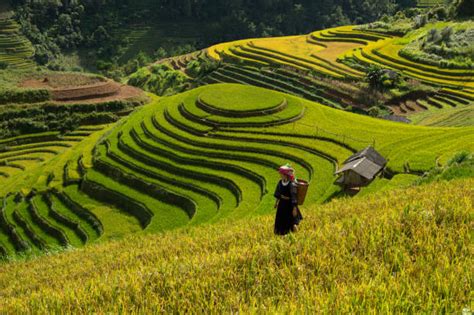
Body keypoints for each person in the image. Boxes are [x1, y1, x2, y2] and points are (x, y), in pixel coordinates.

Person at [273, 164, 303, 235]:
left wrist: (294, 208)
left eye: (281, 174)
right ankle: (282, 235)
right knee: (281, 221)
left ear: (285, 175)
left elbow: (293, 196)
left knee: (292, 222)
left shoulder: (291, 184)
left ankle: (298, 236)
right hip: (282, 205)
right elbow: (278, 193)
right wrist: (276, 202)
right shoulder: (280, 182)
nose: (280, 175)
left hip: (289, 205)